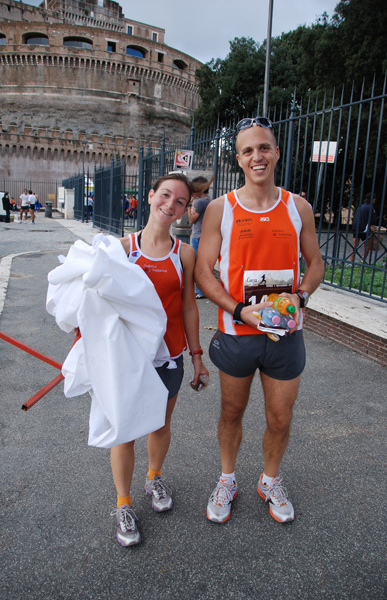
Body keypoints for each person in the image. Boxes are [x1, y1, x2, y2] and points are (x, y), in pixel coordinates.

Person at [195, 116, 324, 525]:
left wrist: (300, 296)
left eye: (264, 147)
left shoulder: (297, 206)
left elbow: (316, 263)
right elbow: (202, 272)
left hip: (285, 336)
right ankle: (227, 478)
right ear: (238, 159)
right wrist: (238, 310)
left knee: (280, 417)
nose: (257, 156)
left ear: (276, 153)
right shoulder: (221, 209)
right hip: (237, 332)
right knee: (231, 413)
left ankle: (270, 480)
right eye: (248, 150)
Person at [109, 173, 209, 546]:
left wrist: (197, 357)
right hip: (129, 359)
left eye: (180, 201)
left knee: (160, 424)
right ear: (150, 197)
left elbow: (188, 308)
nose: (171, 204)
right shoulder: (122, 248)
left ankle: (153, 478)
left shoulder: (184, 253)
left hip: (169, 358)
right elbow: (98, 304)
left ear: (186, 209)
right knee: (125, 432)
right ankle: (123, 503)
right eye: (165, 195)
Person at [188, 176, 213, 299]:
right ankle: (205, 290)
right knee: (205, 265)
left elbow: (191, 219)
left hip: (198, 236)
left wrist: (188, 205)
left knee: (198, 265)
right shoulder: (209, 200)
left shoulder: (199, 202)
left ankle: (200, 290)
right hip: (207, 236)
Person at [351, 192, 377, 262]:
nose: (375, 201)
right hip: (363, 229)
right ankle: (363, 261)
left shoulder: (361, 206)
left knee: (354, 246)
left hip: (355, 227)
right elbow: (373, 220)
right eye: (374, 199)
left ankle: (351, 262)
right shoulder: (370, 208)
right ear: (373, 200)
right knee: (368, 245)